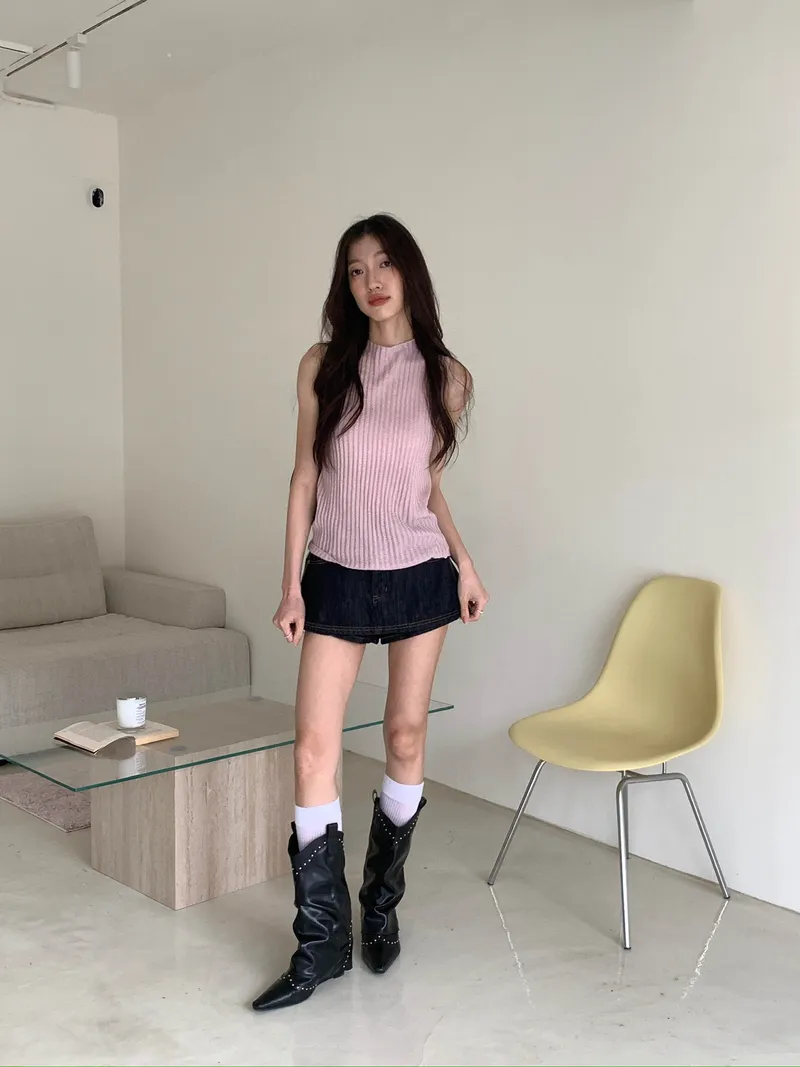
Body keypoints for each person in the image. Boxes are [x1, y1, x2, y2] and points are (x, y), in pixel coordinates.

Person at [252, 214, 489, 1012]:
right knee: (312, 748)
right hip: (337, 577)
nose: (371, 280)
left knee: (405, 735)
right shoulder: (323, 366)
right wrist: (292, 584)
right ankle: (320, 943)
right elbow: (304, 479)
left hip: (420, 575)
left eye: (383, 263)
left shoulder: (446, 377)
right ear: (344, 285)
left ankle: (379, 909)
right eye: (355, 269)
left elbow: (425, 488)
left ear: (409, 272)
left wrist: (464, 562)